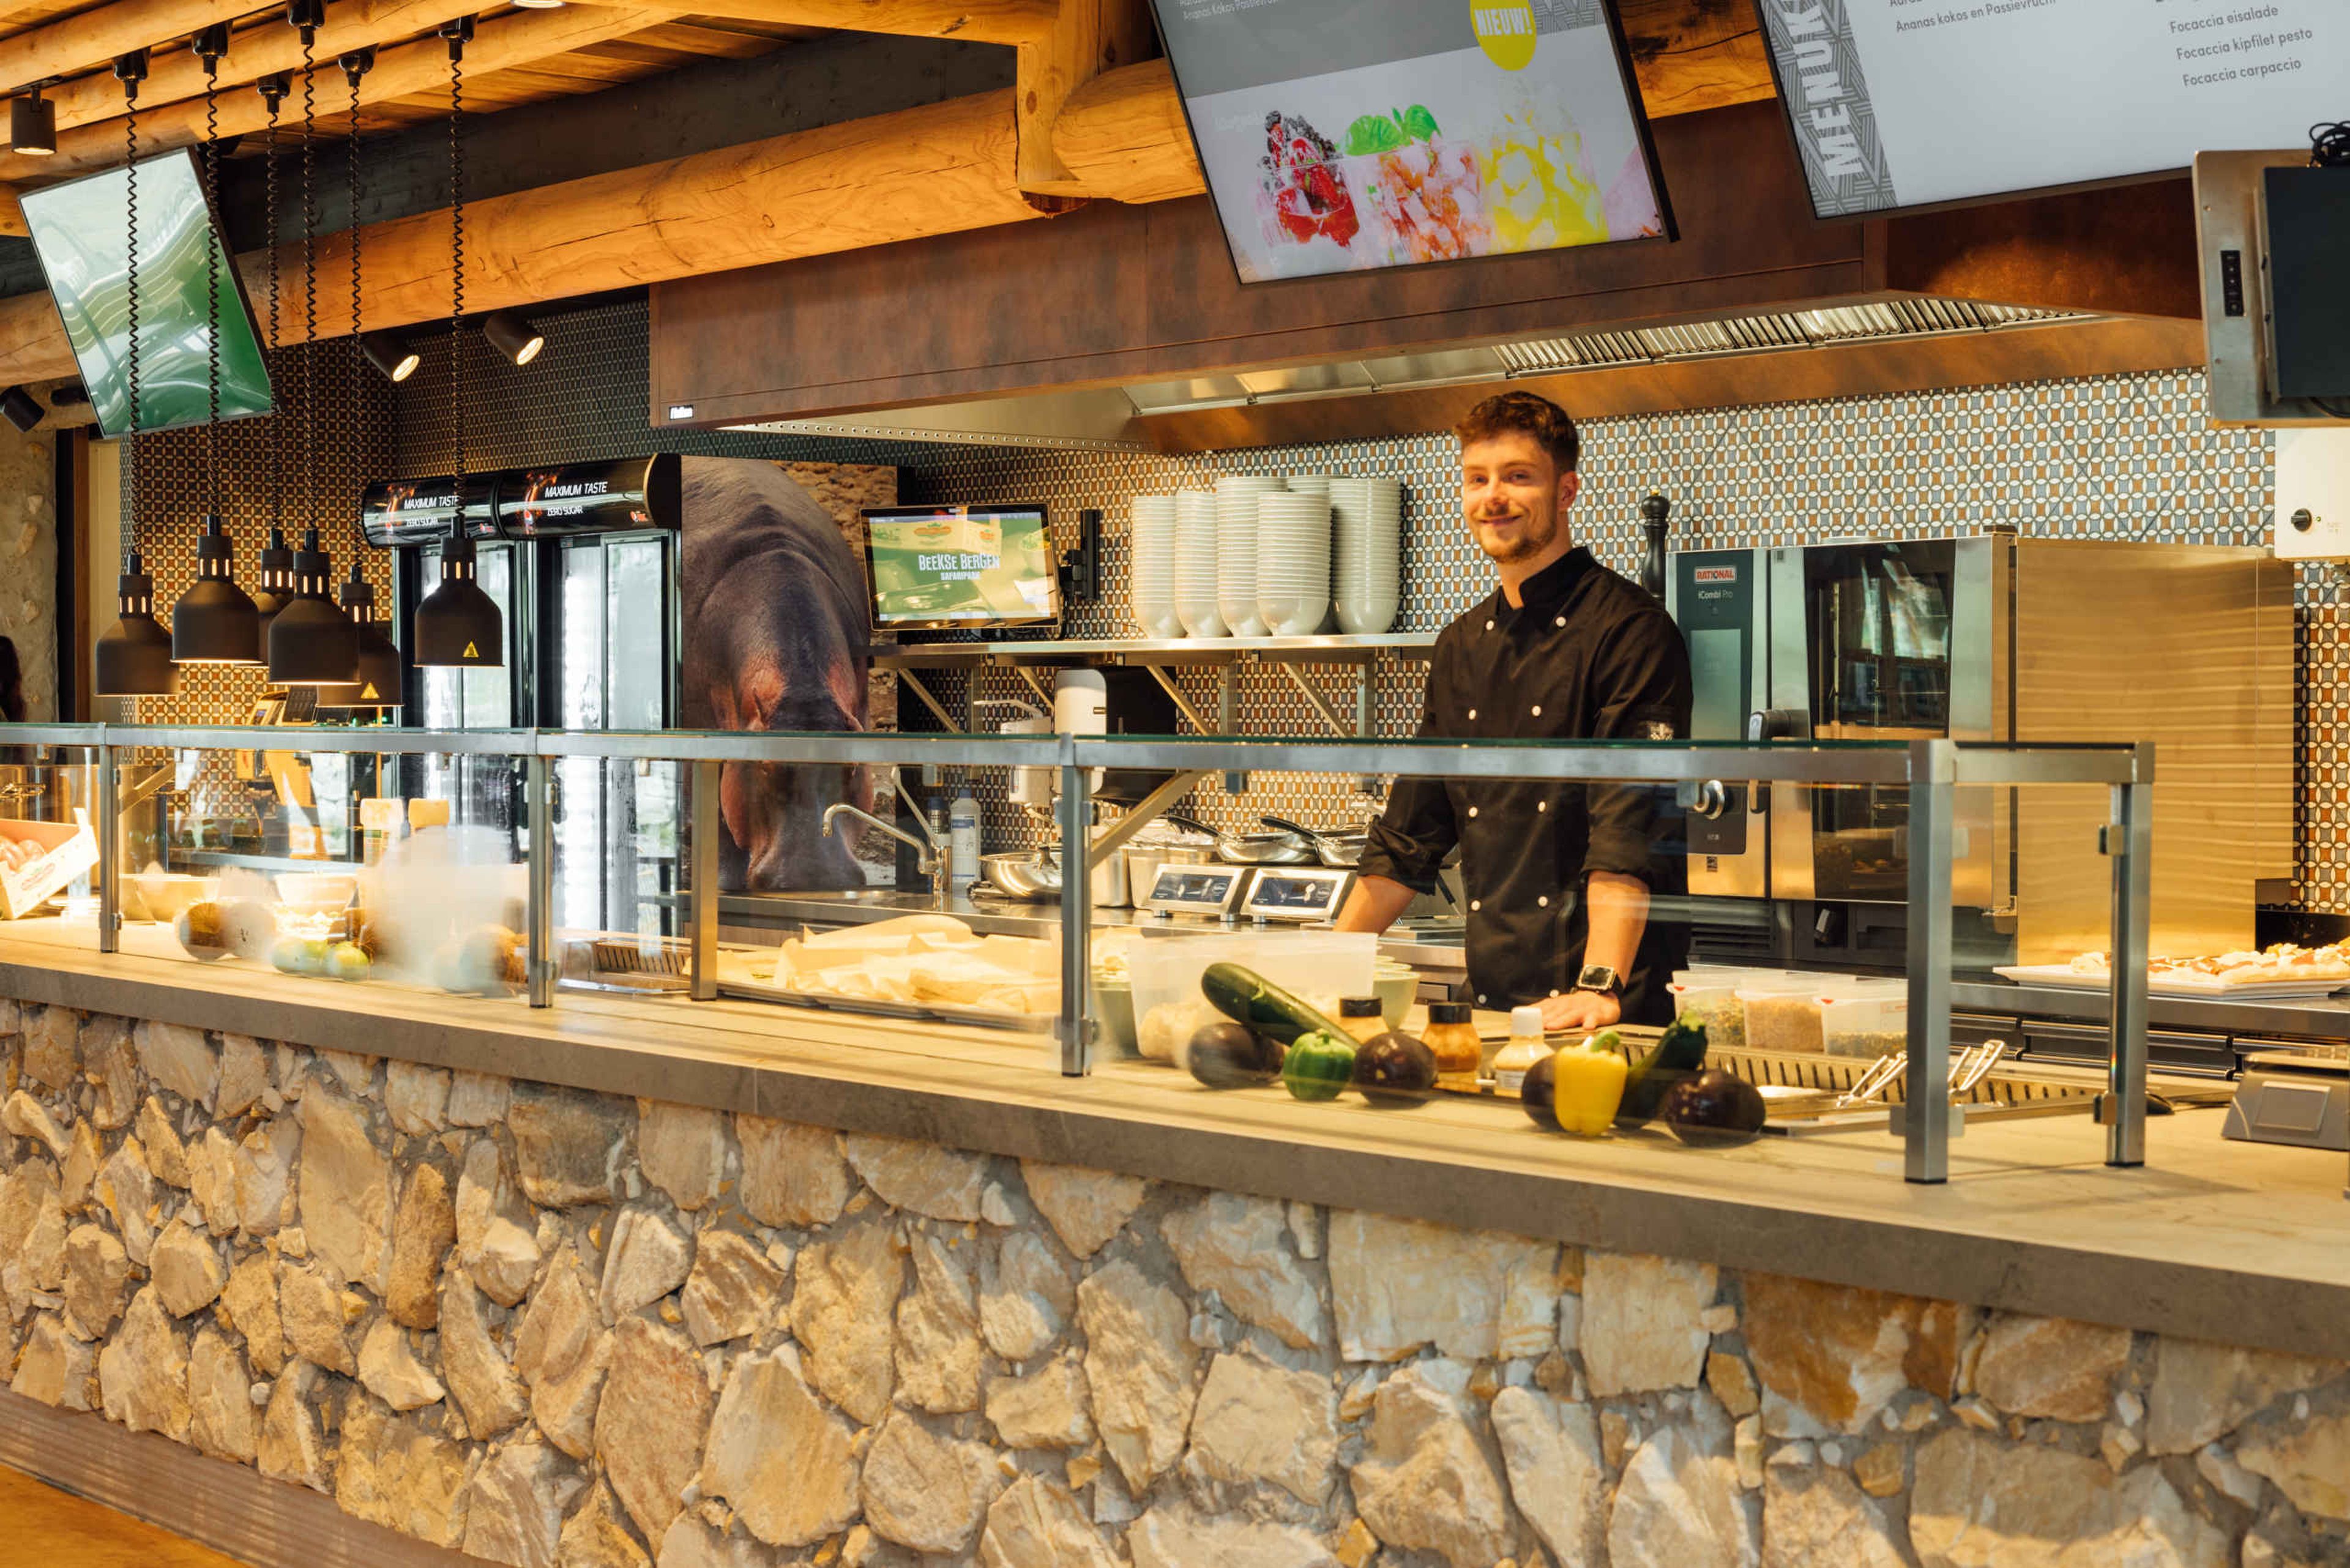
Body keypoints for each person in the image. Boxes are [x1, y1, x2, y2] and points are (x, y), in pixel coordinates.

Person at [1337, 391, 1692, 1029]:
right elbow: (1409, 836)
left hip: (1607, 1009)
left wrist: (1600, 985)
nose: (1492, 497)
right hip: (1497, 1004)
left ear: (1566, 491)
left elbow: (1627, 828)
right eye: (1478, 479)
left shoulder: (1631, 629)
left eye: (1517, 477)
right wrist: (1322, 961)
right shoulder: (1461, 644)